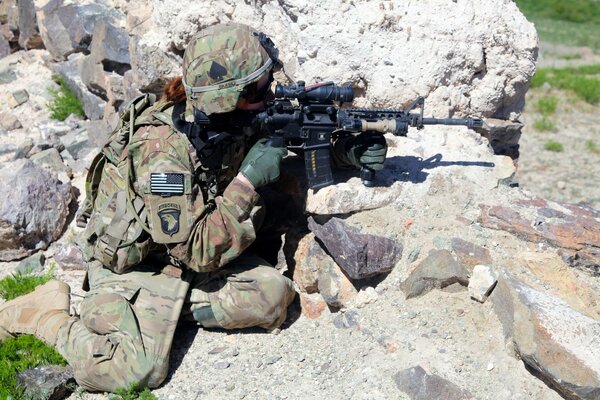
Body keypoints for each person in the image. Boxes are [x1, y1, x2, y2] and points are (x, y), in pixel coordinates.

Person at [0, 23, 387, 392]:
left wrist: (341, 152)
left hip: (183, 253)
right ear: (225, 99)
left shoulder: (231, 119)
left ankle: (163, 314)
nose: (269, 97)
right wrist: (247, 181)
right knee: (137, 370)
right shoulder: (162, 153)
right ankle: (45, 315)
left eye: (267, 83)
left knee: (272, 297)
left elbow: (282, 143)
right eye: (257, 91)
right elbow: (197, 251)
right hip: (140, 264)